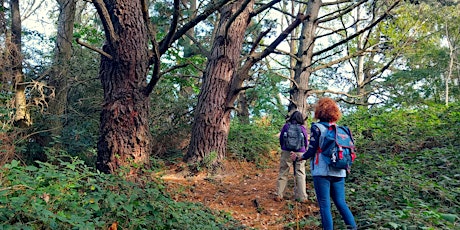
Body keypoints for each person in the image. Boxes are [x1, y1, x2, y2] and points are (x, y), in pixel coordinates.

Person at [290, 97, 357, 230]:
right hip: (339, 170)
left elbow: (311, 150)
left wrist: (298, 158)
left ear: (319, 112)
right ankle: (353, 227)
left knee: (325, 205)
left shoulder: (317, 128)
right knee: (341, 202)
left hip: (322, 171)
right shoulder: (340, 130)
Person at [275, 111, 309, 203]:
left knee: (283, 172)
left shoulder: (286, 126)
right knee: (300, 173)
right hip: (300, 152)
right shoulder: (302, 128)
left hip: (287, 151)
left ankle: (279, 194)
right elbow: (306, 140)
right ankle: (302, 197)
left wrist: (284, 148)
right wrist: (304, 150)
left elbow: (281, 138)